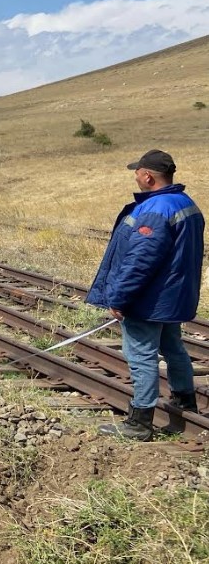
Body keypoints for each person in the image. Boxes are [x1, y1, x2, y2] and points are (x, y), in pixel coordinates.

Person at [87, 149, 204, 441]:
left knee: (141, 356)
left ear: (148, 176)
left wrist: (120, 298)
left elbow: (140, 261)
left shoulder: (154, 210)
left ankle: (139, 422)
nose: (135, 176)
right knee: (173, 347)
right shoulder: (185, 203)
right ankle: (185, 400)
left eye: (137, 172)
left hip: (149, 300)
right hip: (173, 297)